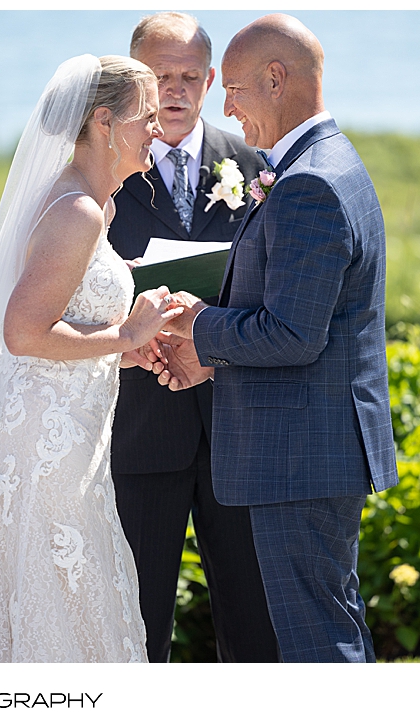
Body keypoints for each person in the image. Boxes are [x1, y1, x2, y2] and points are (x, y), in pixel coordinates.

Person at [0, 55, 184, 663]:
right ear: (105, 123)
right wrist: (123, 337)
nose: (156, 131)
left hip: (66, 434)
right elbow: (25, 334)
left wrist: (125, 351)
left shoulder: (93, 205)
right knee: (58, 602)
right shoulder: (77, 211)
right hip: (39, 448)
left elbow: (68, 320)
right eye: (145, 117)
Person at [154, 15, 400, 663]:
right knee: (327, 625)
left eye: (233, 89)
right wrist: (215, 353)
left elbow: (292, 334)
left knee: (318, 641)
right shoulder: (327, 162)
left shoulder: (308, 184)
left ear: (276, 78)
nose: (225, 108)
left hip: (298, 458)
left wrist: (197, 325)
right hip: (311, 449)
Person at [106, 12, 277, 663]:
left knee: (253, 623)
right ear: (134, 80)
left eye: (186, 77)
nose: (173, 91)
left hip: (239, 426)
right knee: (137, 625)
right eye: (158, 76)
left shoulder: (254, 166)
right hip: (139, 428)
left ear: (209, 81)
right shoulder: (104, 170)